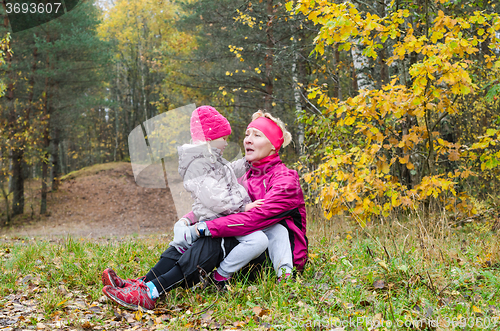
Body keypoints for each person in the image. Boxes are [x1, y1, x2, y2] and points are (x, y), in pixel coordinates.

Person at [101, 109, 307, 311]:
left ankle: (153, 291)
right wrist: (188, 220)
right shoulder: (243, 172)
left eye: (257, 135)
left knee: (211, 239)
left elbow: (253, 218)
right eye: (246, 134)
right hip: (245, 252)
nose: (248, 140)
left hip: (268, 261)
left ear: (273, 146)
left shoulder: (286, 180)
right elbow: (217, 201)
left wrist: (203, 227)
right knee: (200, 236)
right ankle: (142, 284)